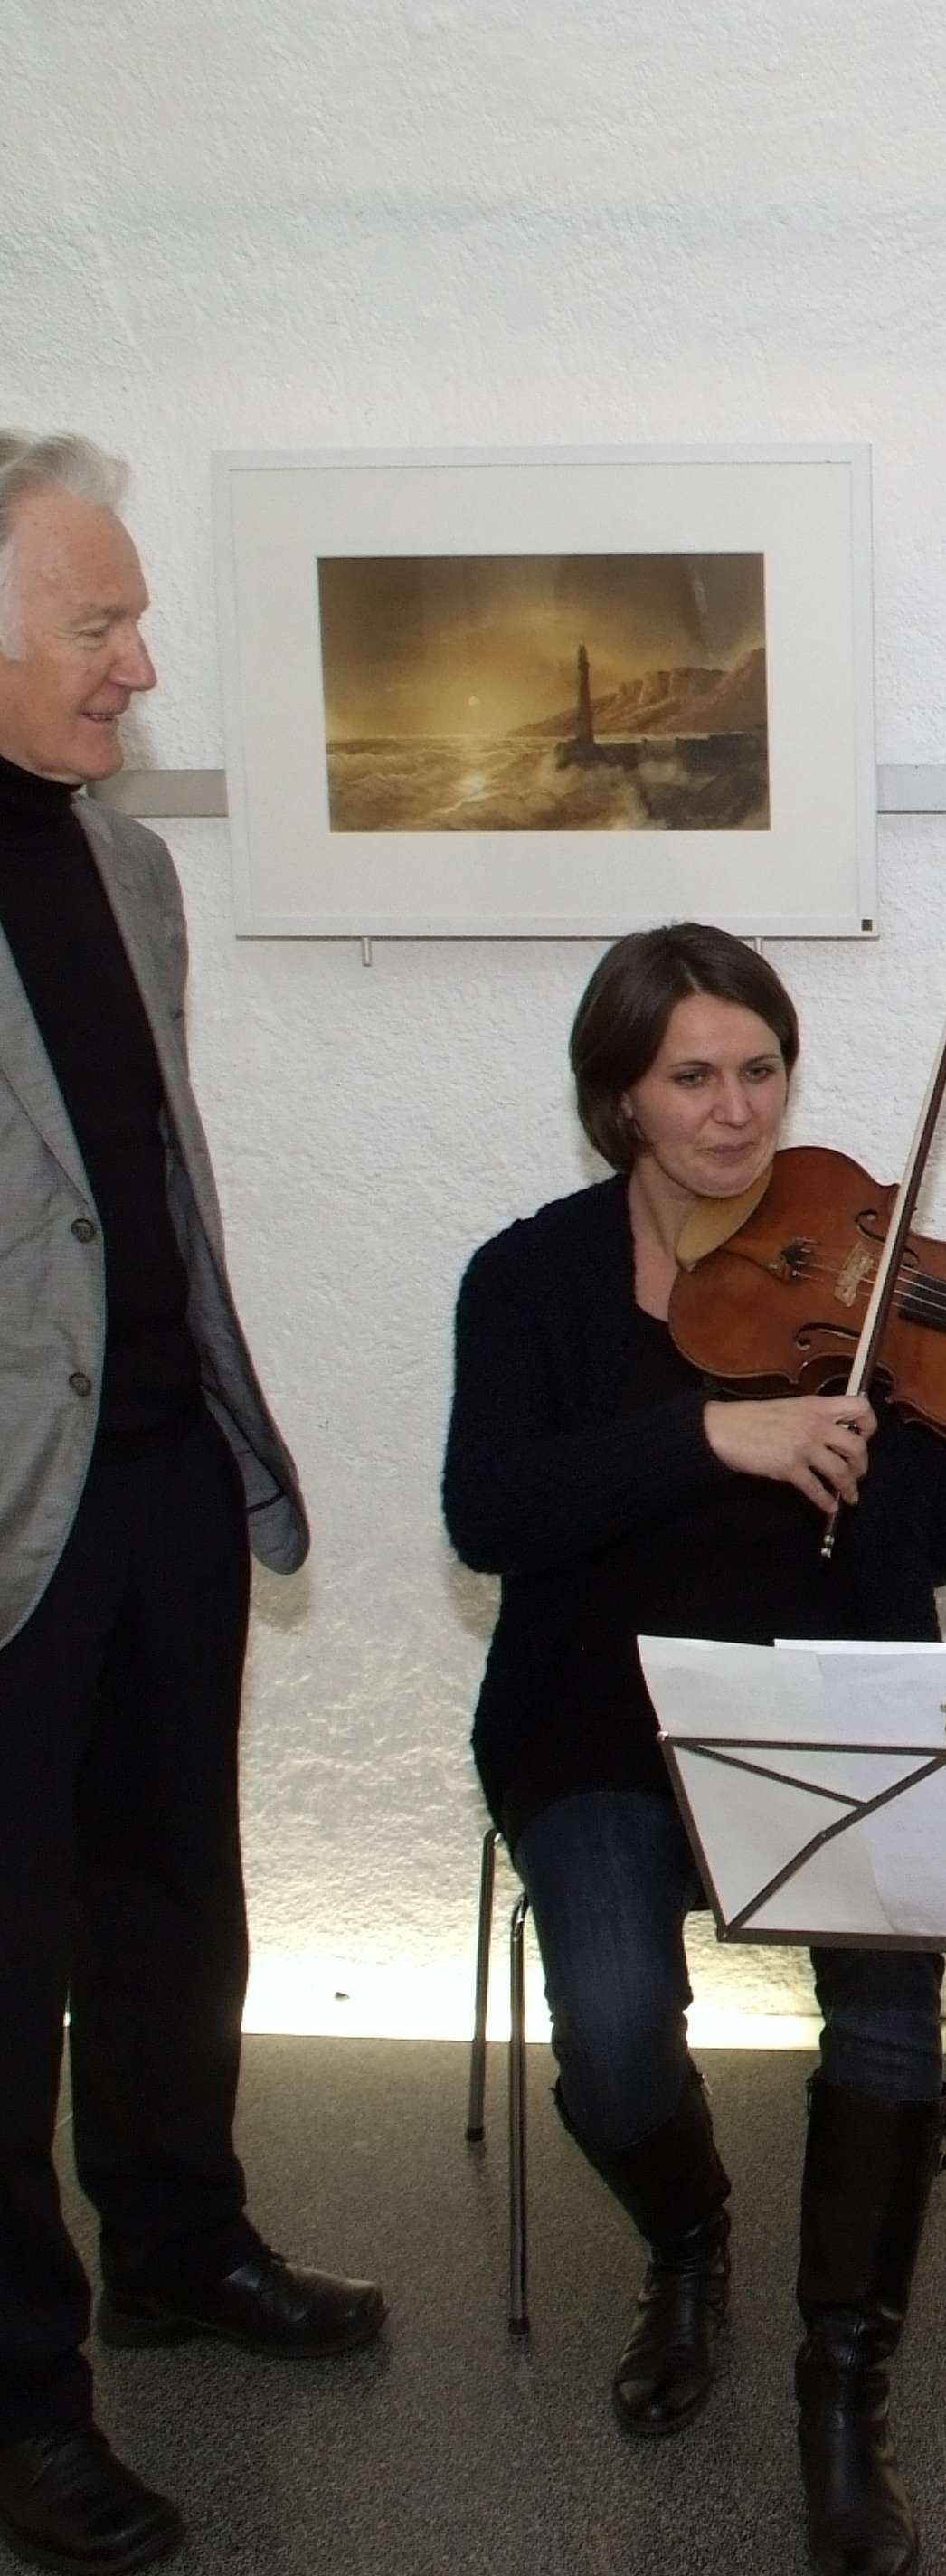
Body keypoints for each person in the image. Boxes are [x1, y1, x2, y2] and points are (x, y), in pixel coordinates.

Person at [441, 922, 946, 2576]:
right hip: (596, 1722)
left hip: (836, 1706)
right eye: (693, 1076)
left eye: (761, 1070)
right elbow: (492, 1516)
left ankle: (847, 2384)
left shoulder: (859, 1271)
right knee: (614, 2041)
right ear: (619, 1095)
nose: (736, 1110)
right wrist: (707, 1434)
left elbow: (924, 1542)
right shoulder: (529, 1279)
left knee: (886, 2023)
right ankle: (691, 2238)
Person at [0, 431, 383, 2576]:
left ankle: (178, 2237)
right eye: (96, 623)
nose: (140, 665)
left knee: (173, 1895)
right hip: (5, 1510)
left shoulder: (125, 866)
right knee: (2, 1963)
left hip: (155, 1473)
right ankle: (24, 2398)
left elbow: (136, 1186)